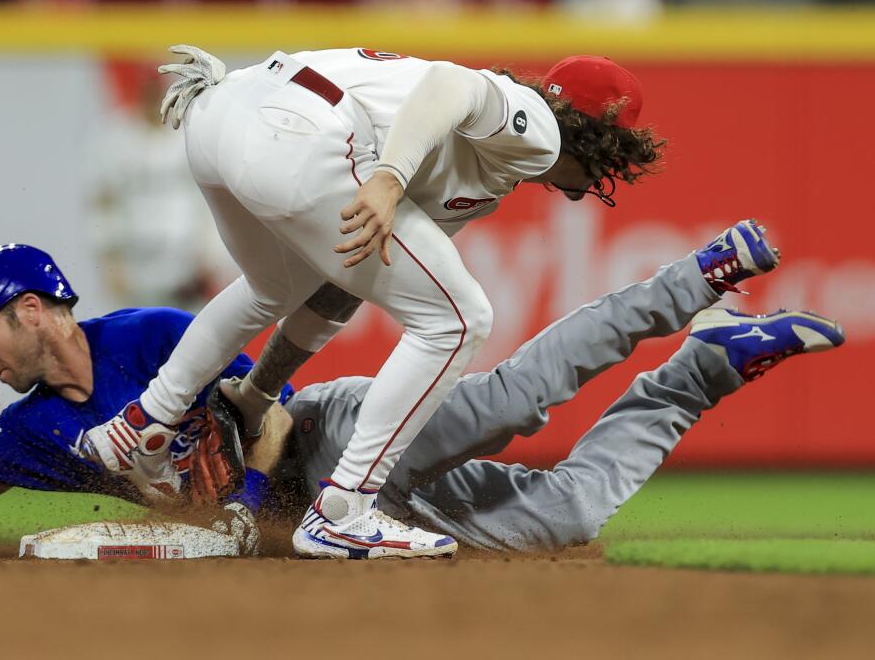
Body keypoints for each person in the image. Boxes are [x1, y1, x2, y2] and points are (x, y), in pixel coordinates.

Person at [0, 223, 846, 559]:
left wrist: (254, 512)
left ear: (33, 309)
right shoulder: (35, 428)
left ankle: (686, 282)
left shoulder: (151, 336)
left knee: (507, 400)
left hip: (331, 438)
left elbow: (263, 414)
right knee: (564, 517)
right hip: (323, 513)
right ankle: (709, 365)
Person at [80, 44, 666, 559]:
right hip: (304, 132)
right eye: (615, 154)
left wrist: (258, 395)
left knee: (273, 287)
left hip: (223, 118)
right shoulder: (540, 130)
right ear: (597, 136)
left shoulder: (482, 177)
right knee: (460, 322)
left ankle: (140, 425)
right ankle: (345, 513)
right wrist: (387, 176)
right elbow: (451, 84)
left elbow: (339, 286)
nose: (605, 175)